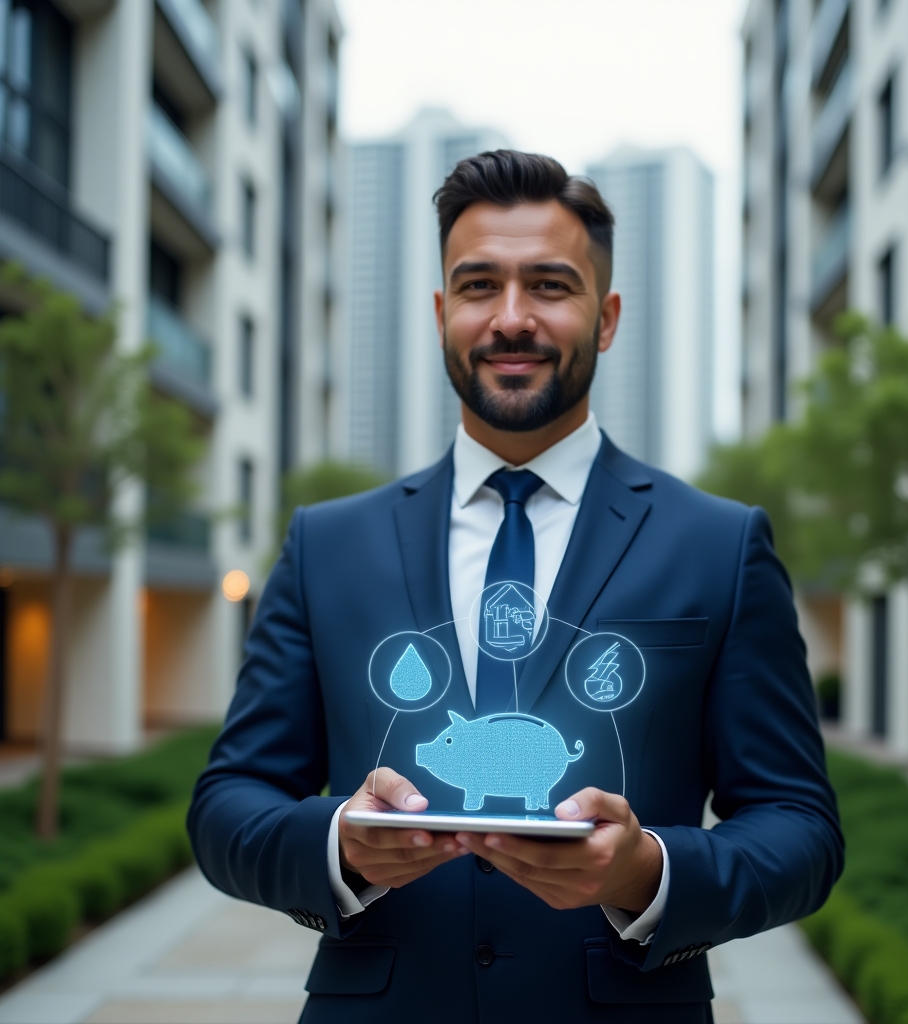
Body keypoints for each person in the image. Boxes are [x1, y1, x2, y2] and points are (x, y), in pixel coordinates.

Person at [188, 150, 843, 1024]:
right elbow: (227, 807)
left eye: (549, 286)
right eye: (477, 286)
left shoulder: (719, 545)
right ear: (440, 313)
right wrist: (340, 846)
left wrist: (647, 871)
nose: (510, 319)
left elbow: (800, 829)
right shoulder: (326, 545)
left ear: (606, 318)